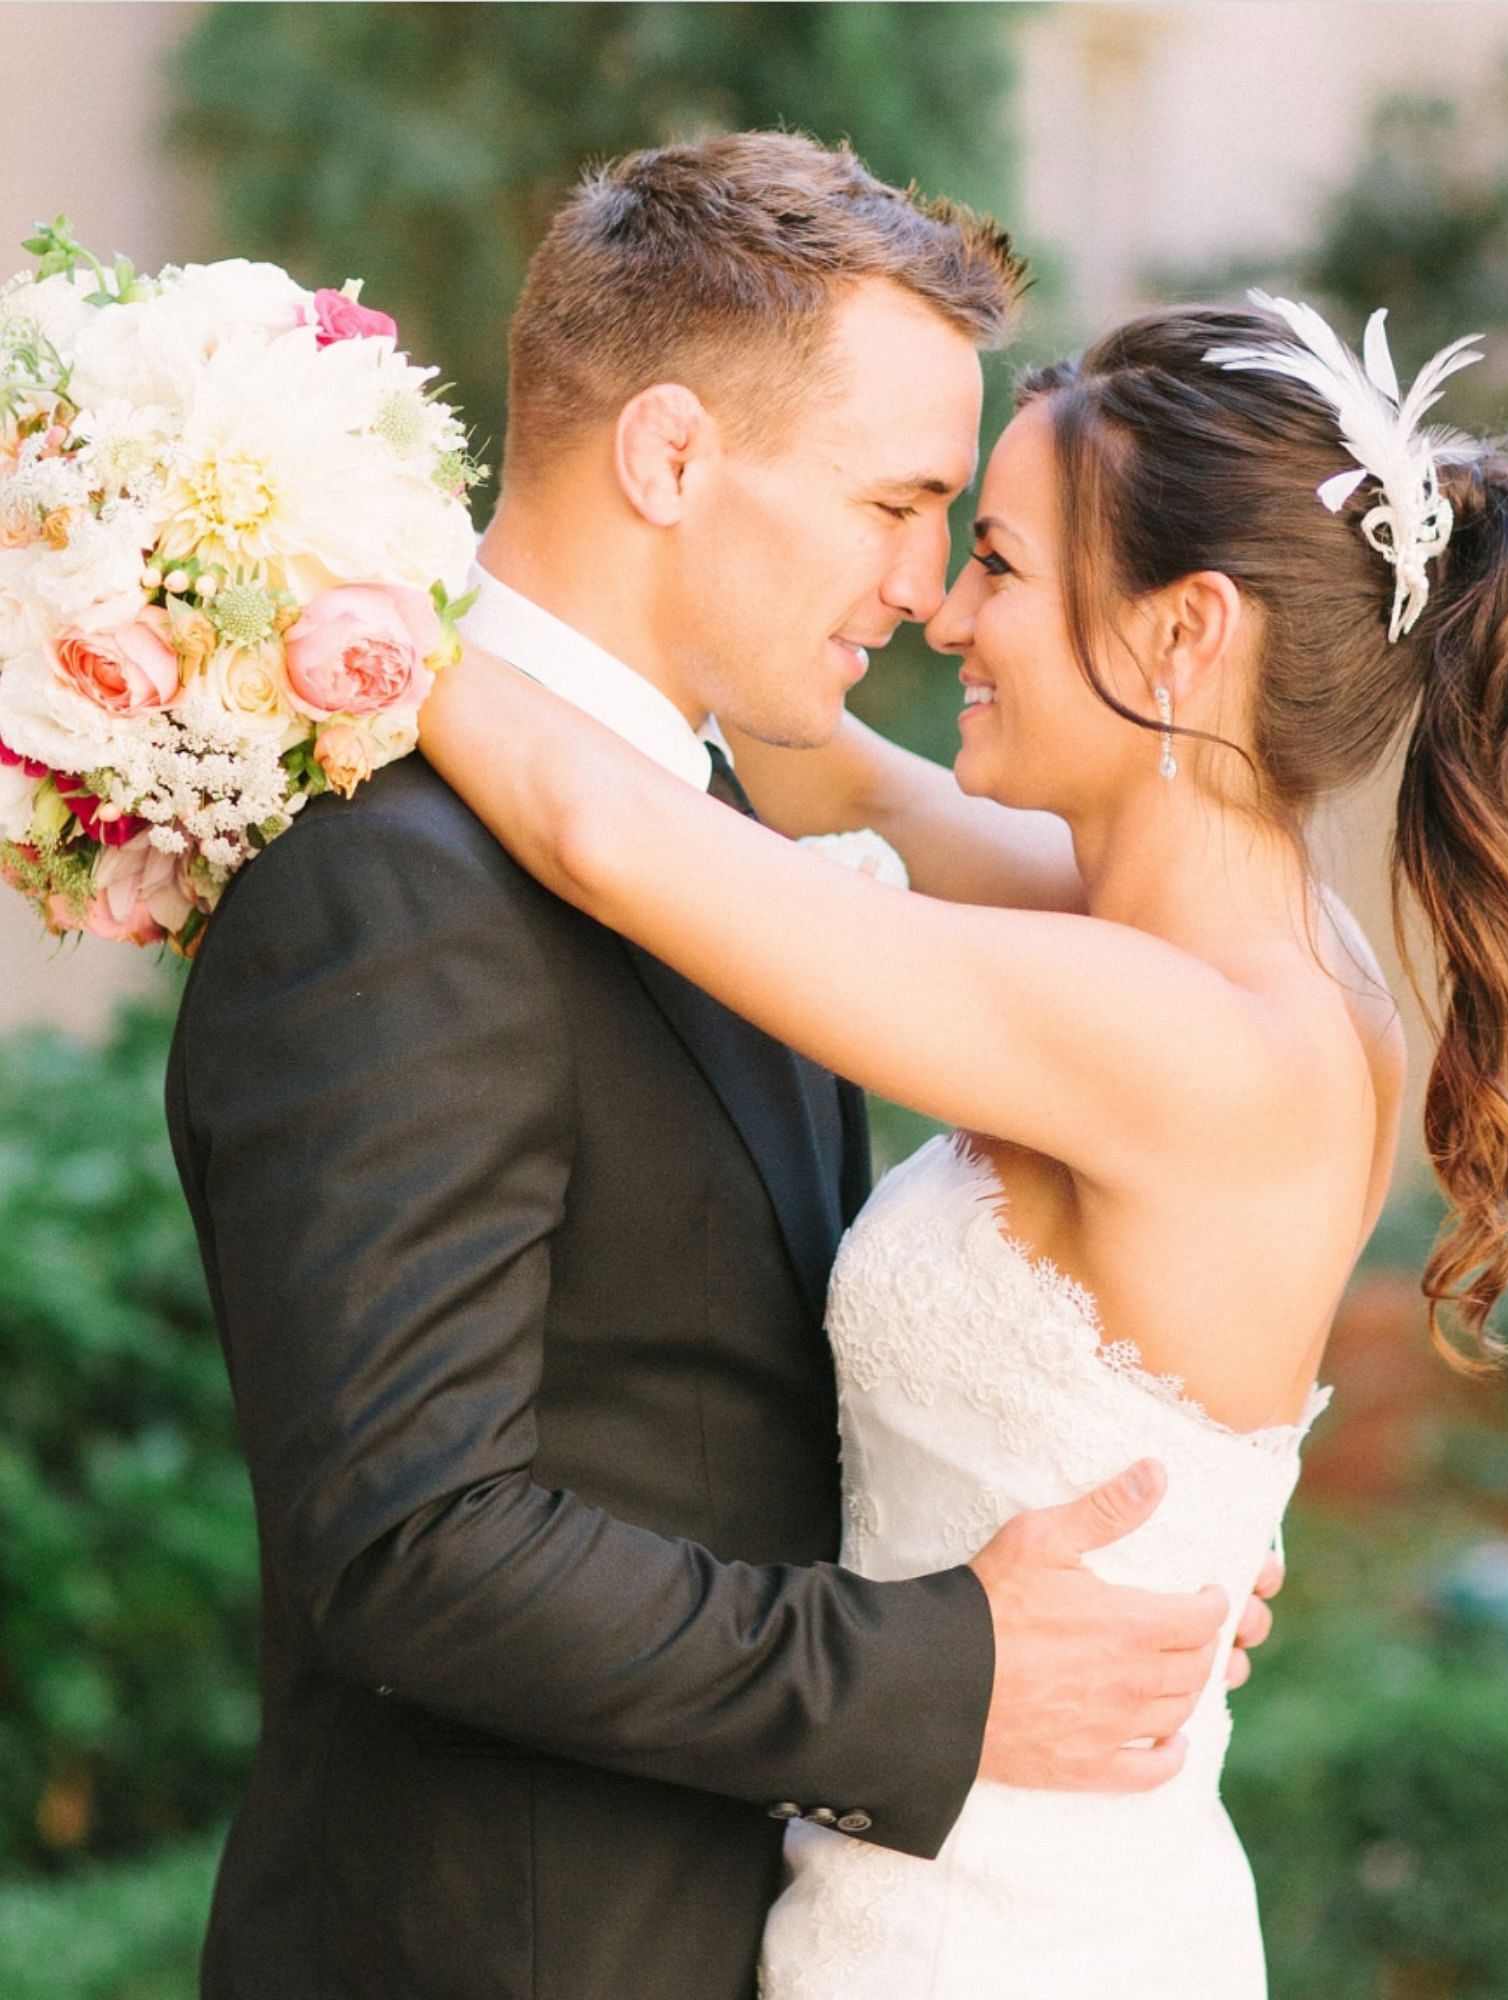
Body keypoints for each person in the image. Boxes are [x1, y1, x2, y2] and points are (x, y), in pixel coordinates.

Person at [165, 135, 1286, 2000]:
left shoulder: (716, 843)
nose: (923, 589)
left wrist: (1132, 1544)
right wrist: (950, 1665)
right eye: (895, 502)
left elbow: (733, 1401)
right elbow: (409, 1547)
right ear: (672, 455)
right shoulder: (392, 875)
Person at [419, 292, 1508, 1996]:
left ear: (1183, 635)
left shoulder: (1188, 1042)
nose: (943, 610)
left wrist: (308, 595)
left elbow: (603, 830)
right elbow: (842, 778)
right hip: (955, 1879)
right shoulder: (1220, 952)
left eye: (999, 564)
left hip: (1004, 1941)